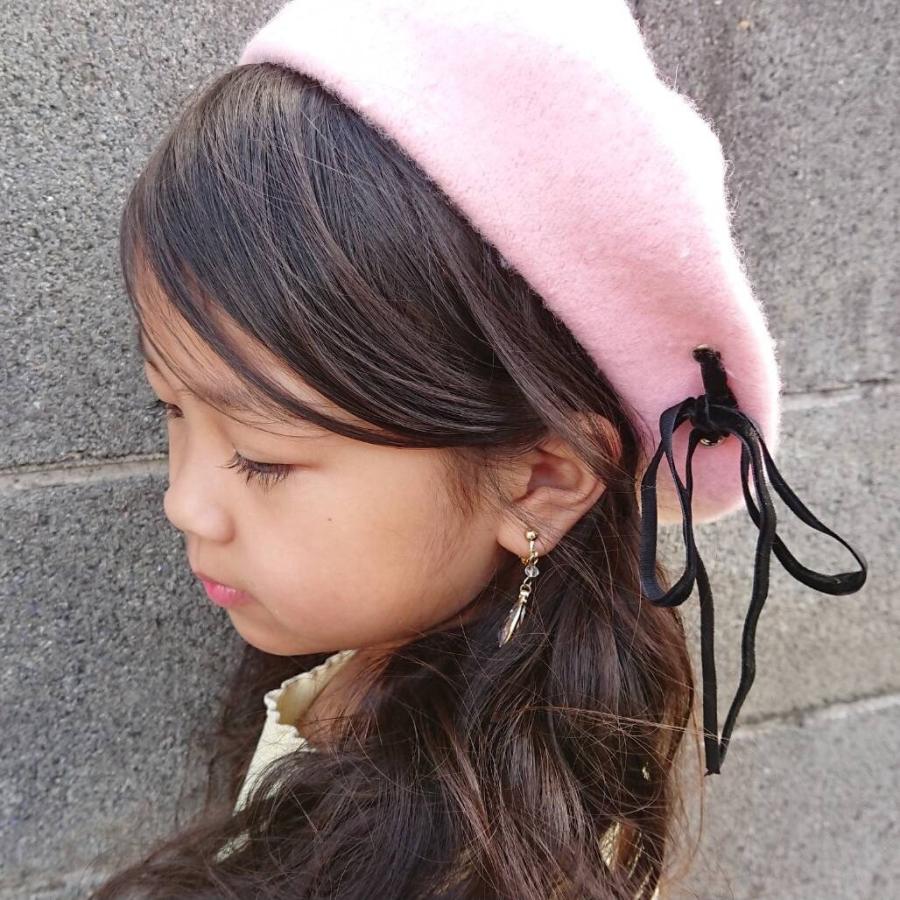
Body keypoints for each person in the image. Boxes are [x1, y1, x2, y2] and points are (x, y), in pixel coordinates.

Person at [89, 1, 867, 897]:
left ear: (539, 482)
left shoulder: (492, 868)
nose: (183, 503)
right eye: (170, 408)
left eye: (262, 456)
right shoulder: (376, 679)